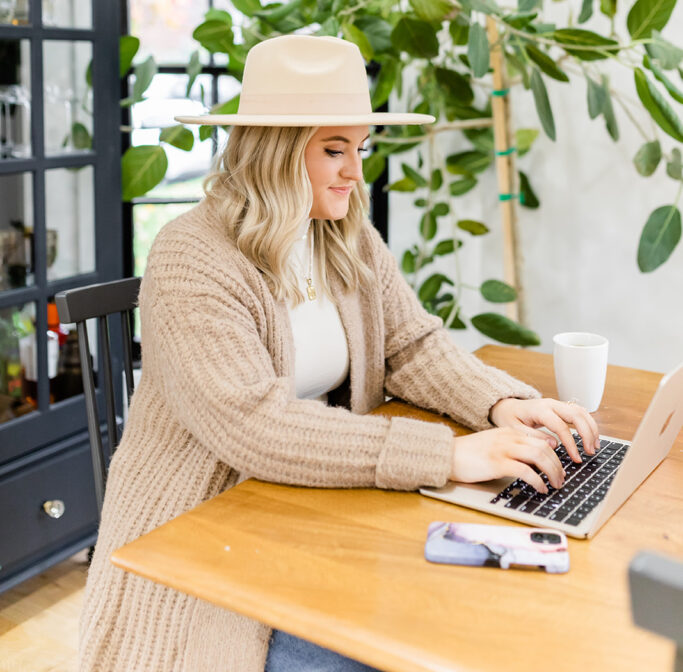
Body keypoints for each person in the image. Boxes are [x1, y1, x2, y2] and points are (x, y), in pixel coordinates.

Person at [79, 34, 599, 672]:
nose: (356, 170)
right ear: (274, 152)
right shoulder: (193, 256)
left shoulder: (344, 233)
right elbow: (254, 426)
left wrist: (500, 405)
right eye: (334, 149)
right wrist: (449, 453)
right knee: (402, 647)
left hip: (312, 505)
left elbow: (411, 344)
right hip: (204, 537)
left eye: (360, 147)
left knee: (476, 618)